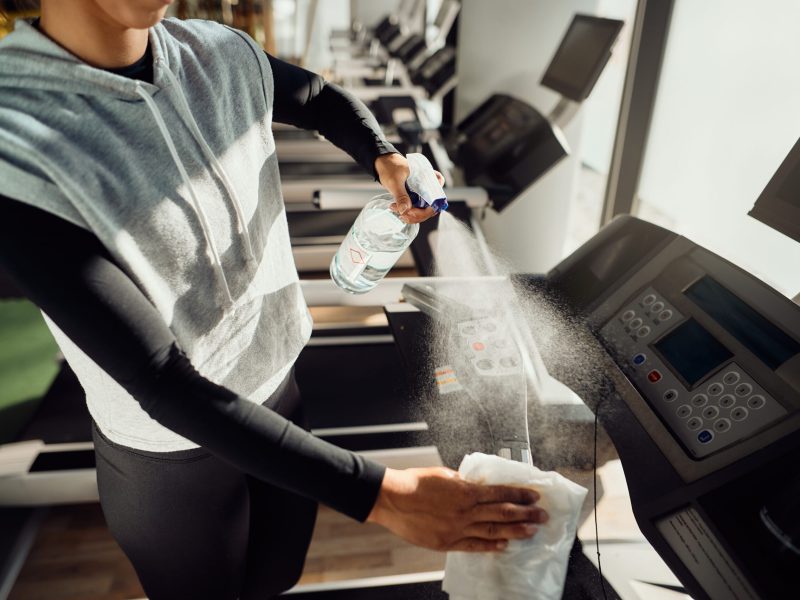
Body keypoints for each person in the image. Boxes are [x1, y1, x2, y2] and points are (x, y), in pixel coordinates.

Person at [0, 1, 548, 598]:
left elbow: (315, 98)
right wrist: (384, 496)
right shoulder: (15, 136)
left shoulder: (217, 51)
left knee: (277, 577)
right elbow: (159, 379)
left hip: (278, 389)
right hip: (170, 454)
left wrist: (382, 155)